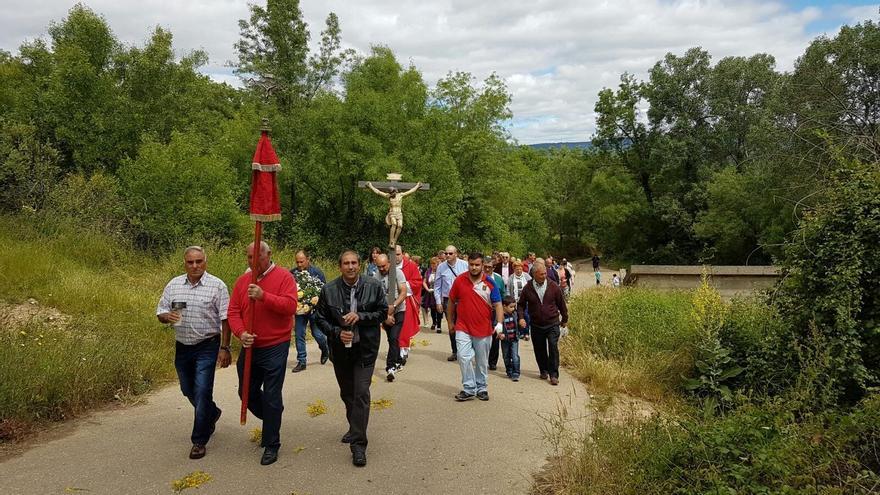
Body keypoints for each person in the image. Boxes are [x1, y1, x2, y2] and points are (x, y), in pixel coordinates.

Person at [156, 246, 230, 460]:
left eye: (199, 261)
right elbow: (161, 310)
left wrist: (224, 348)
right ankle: (212, 413)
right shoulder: (174, 284)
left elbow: (225, 319)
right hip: (183, 345)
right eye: (191, 262)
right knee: (187, 389)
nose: (195, 266)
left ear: (205, 262)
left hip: (207, 345)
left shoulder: (217, 286)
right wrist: (165, 316)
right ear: (185, 263)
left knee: (202, 391)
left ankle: (199, 440)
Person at [314, 251, 388, 467]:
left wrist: (361, 317)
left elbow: (383, 313)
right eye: (346, 263)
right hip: (341, 351)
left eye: (354, 263)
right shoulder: (329, 290)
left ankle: (358, 445)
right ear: (340, 266)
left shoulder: (373, 286)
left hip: (365, 349)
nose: (351, 267)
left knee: (361, 394)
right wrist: (337, 332)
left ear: (360, 265)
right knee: (347, 393)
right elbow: (320, 318)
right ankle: (355, 426)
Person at [228, 241, 298, 465]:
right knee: (245, 393)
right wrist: (240, 332)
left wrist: (263, 296)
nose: (253, 261)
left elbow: (290, 306)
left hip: (275, 344)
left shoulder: (285, 277)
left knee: (271, 395)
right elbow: (233, 312)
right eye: (249, 257)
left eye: (257, 256)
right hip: (250, 346)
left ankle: (271, 443)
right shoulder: (242, 282)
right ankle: (272, 417)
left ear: (269, 254)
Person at [447, 252, 503, 402]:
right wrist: (450, 322)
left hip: (483, 329)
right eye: (471, 264)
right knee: (463, 356)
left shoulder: (490, 283)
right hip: (462, 326)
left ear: (482, 265)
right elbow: (451, 302)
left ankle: (482, 387)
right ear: (468, 264)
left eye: (477, 265)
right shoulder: (460, 281)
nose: (474, 267)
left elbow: (498, 304)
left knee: (481, 360)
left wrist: (499, 324)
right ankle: (469, 388)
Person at [517, 262, 568, 386]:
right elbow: (521, 305)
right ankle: (543, 370)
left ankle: (554, 374)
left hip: (552, 322)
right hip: (536, 324)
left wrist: (565, 319)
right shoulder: (528, 287)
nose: (544, 276)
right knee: (539, 349)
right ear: (534, 274)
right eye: (541, 274)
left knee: (553, 346)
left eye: (545, 273)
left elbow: (562, 304)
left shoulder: (553, 286)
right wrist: (521, 318)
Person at [290, 250, 329, 373]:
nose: (299, 264)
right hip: (300, 310)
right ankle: (302, 361)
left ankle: (325, 348)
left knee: (317, 333)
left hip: (315, 309)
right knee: (299, 333)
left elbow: (324, 290)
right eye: (297, 262)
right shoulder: (293, 273)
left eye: (301, 261)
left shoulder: (317, 273)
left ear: (308, 259)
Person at [373, 254, 408, 382]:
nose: (381, 269)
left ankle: (390, 367)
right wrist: (385, 315)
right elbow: (375, 298)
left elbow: (403, 292)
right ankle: (398, 359)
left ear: (389, 263)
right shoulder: (376, 277)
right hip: (384, 312)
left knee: (394, 337)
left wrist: (393, 305)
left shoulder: (398, 273)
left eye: (383, 266)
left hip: (399, 310)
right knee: (391, 338)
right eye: (379, 267)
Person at [434, 245, 469, 361]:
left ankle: (464, 351)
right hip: (448, 300)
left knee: (464, 326)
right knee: (451, 327)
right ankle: (455, 351)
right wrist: (438, 302)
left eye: (450, 253)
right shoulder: (441, 267)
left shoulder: (464, 265)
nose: (447, 255)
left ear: (456, 254)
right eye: (446, 253)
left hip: (463, 299)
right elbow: (437, 286)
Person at [365, 181, 422, 248]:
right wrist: (370, 186)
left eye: (393, 192)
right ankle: (391, 241)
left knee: (400, 226)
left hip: (399, 213)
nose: (392, 194)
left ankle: (394, 240)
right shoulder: (388, 196)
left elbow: (410, 191)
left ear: (395, 191)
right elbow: (378, 192)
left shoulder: (400, 195)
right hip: (392, 213)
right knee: (394, 224)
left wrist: (417, 186)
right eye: (391, 193)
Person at [395, 244, 423, 365]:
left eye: (397, 254)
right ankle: (396, 349)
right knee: (394, 327)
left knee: (405, 327)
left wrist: (402, 284)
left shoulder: (410, 266)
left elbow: (417, 282)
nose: (395, 257)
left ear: (402, 254)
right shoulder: (388, 266)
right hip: (392, 301)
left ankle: (403, 350)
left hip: (406, 300)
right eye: (393, 254)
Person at [485, 257, 507, 371]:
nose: (487, 269)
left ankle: (492, 361)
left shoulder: (498, 279)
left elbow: (503, 295)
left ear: (493, 267)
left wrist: (503, 311)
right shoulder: (477, 278)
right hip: (482, 311)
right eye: (485, 267)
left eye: (490, 267)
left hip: (495, 310)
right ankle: (483, 358)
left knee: (495, 336)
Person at [497, 295, 520, 381]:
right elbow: (496, 324)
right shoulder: (500, 316)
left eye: (514, 306)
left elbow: (519, 323)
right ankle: (509, 370)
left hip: (514, 339)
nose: (513, 308)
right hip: (505, 340)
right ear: (504, 306)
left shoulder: (515, 314)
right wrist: (499, 333)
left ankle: (516, 372)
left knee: (515, 356)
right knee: (506, 356)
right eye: (511, 307)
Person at [507, 260, 532, 340]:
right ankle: (520, 332)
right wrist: (509, 300)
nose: (519, 271)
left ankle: (526, 332)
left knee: (526, 316)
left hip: (526, 301)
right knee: (517, 317)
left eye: (520, 269)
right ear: (514, 269)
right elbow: (508, 289)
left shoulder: (527, 276)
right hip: (515, 301)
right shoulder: (511, 277)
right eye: (517, 269)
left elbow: (532, 286)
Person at [422, 256, 443, 331]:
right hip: (430, 293)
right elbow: (424, 281)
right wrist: (427, 289)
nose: (433, 265)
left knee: (439, 309)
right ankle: (434, 322)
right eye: (432, 264)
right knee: (432, 309)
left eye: (435, 264)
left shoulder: (441, 271)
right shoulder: (428, 271)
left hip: (439, 293)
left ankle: (439, 326)